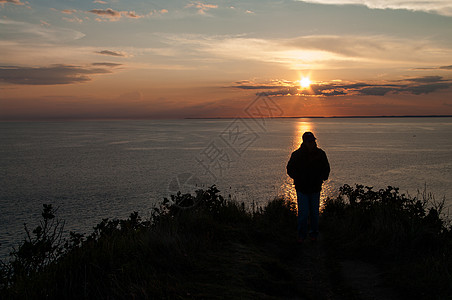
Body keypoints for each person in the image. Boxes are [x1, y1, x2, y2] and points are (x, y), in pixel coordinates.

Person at [287, 131, 330, 243]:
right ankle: (301, 235)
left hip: (315, 188)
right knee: (303, 214)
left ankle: (314, 234)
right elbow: (290, 169)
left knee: (315, 214)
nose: (312, 143)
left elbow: (326, 168)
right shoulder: (296, 155)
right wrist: (298, 178)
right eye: (309, 141)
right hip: (302, 189)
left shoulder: (320, 154)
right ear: (304, 142)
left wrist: (322, 178)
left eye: (313, 141)